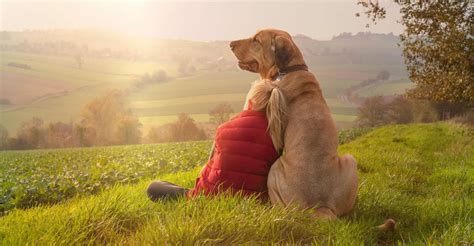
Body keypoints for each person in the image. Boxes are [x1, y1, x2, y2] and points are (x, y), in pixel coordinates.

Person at [146, 79, 287, 202]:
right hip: (255, 202)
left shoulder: (224, 128)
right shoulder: (279, 135)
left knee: (155, 187)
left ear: (250, 103)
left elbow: (209, 170)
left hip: (208, 198)